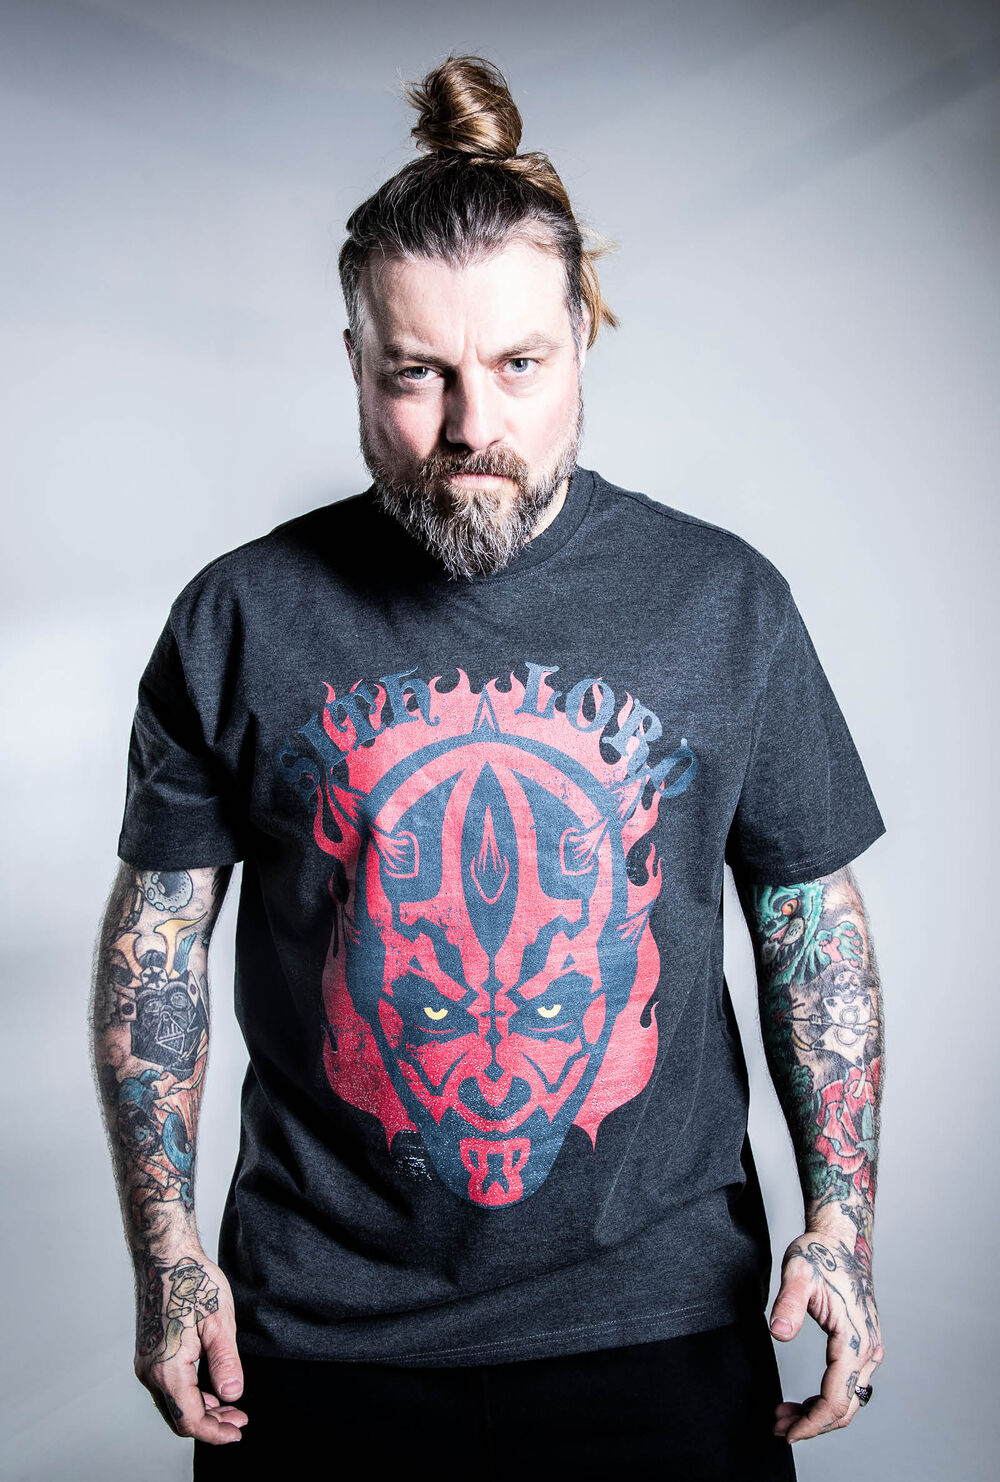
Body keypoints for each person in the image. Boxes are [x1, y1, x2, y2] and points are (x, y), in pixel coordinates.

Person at [91, 53, 885, 1481]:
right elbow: (159, 951)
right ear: (354, 361)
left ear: (585, 338)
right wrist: (168, 1254)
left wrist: (842, 1227)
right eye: (419, 374)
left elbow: (809, 930)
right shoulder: (238, 616)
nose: (473, 428)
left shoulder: (725, 603)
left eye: (521, 364)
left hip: (662, 1330)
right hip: (315, 1348)